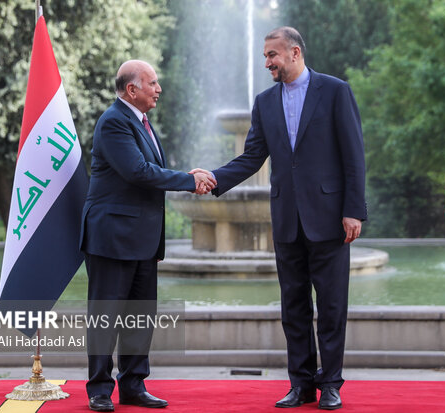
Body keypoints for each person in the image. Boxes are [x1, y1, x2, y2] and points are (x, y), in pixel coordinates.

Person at [193, 27, 366, 410]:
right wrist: (214, 178)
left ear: (295, 53)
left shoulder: (335, 91)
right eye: (265, 57)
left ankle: (331, 384)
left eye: (272, 55)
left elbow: (354, 155)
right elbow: (251, 157)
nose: (268, 62)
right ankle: (301, 385)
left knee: (333, 307)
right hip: (286, 220)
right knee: (294, 308)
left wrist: (354, 209)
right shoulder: (264, 102)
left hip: (330, 220)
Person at [79, 60, 215, 412]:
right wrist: (189, 180)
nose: (158, 89)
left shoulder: (140, 121)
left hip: (141, 238)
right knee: (106, 316)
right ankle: (98, 389)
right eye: (152, 83)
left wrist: (186, 176)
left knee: (140, 315)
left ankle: (134, 386)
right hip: (111, 237)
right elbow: (137, 172)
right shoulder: (113, 122)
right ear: (131, 90)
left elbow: (147, 171)